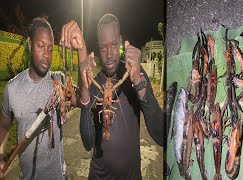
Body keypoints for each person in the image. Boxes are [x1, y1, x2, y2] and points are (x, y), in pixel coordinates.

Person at [60, 14, 163, 179]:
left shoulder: (135, 74)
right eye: (103, 47)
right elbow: (87, 143)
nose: (108, 54)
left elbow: (161, 135)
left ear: (121, 41)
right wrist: (85, 91)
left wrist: (138, 81)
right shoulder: (94, 82)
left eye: (114, 45)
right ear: (98, 47)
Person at [0, 18, 69, 179]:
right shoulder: (12, 88)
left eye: (51, 49)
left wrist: (81, 54)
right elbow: (3, 127)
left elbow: (82, 99)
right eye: (41, 46)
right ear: (30, 46)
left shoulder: (59, 81)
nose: (47, 54)